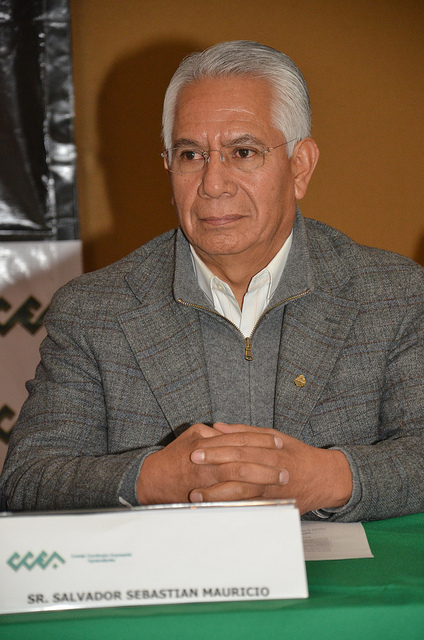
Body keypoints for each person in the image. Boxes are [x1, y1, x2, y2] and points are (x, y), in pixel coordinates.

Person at [1, 41, 423, 521]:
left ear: (300, 166)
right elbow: (28, 478)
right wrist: (152, 479)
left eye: (243, 152)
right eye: (191, 154)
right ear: (169, 167)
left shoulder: (395, 296)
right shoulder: (94, 311)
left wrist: (323, 478)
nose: (213, 183)